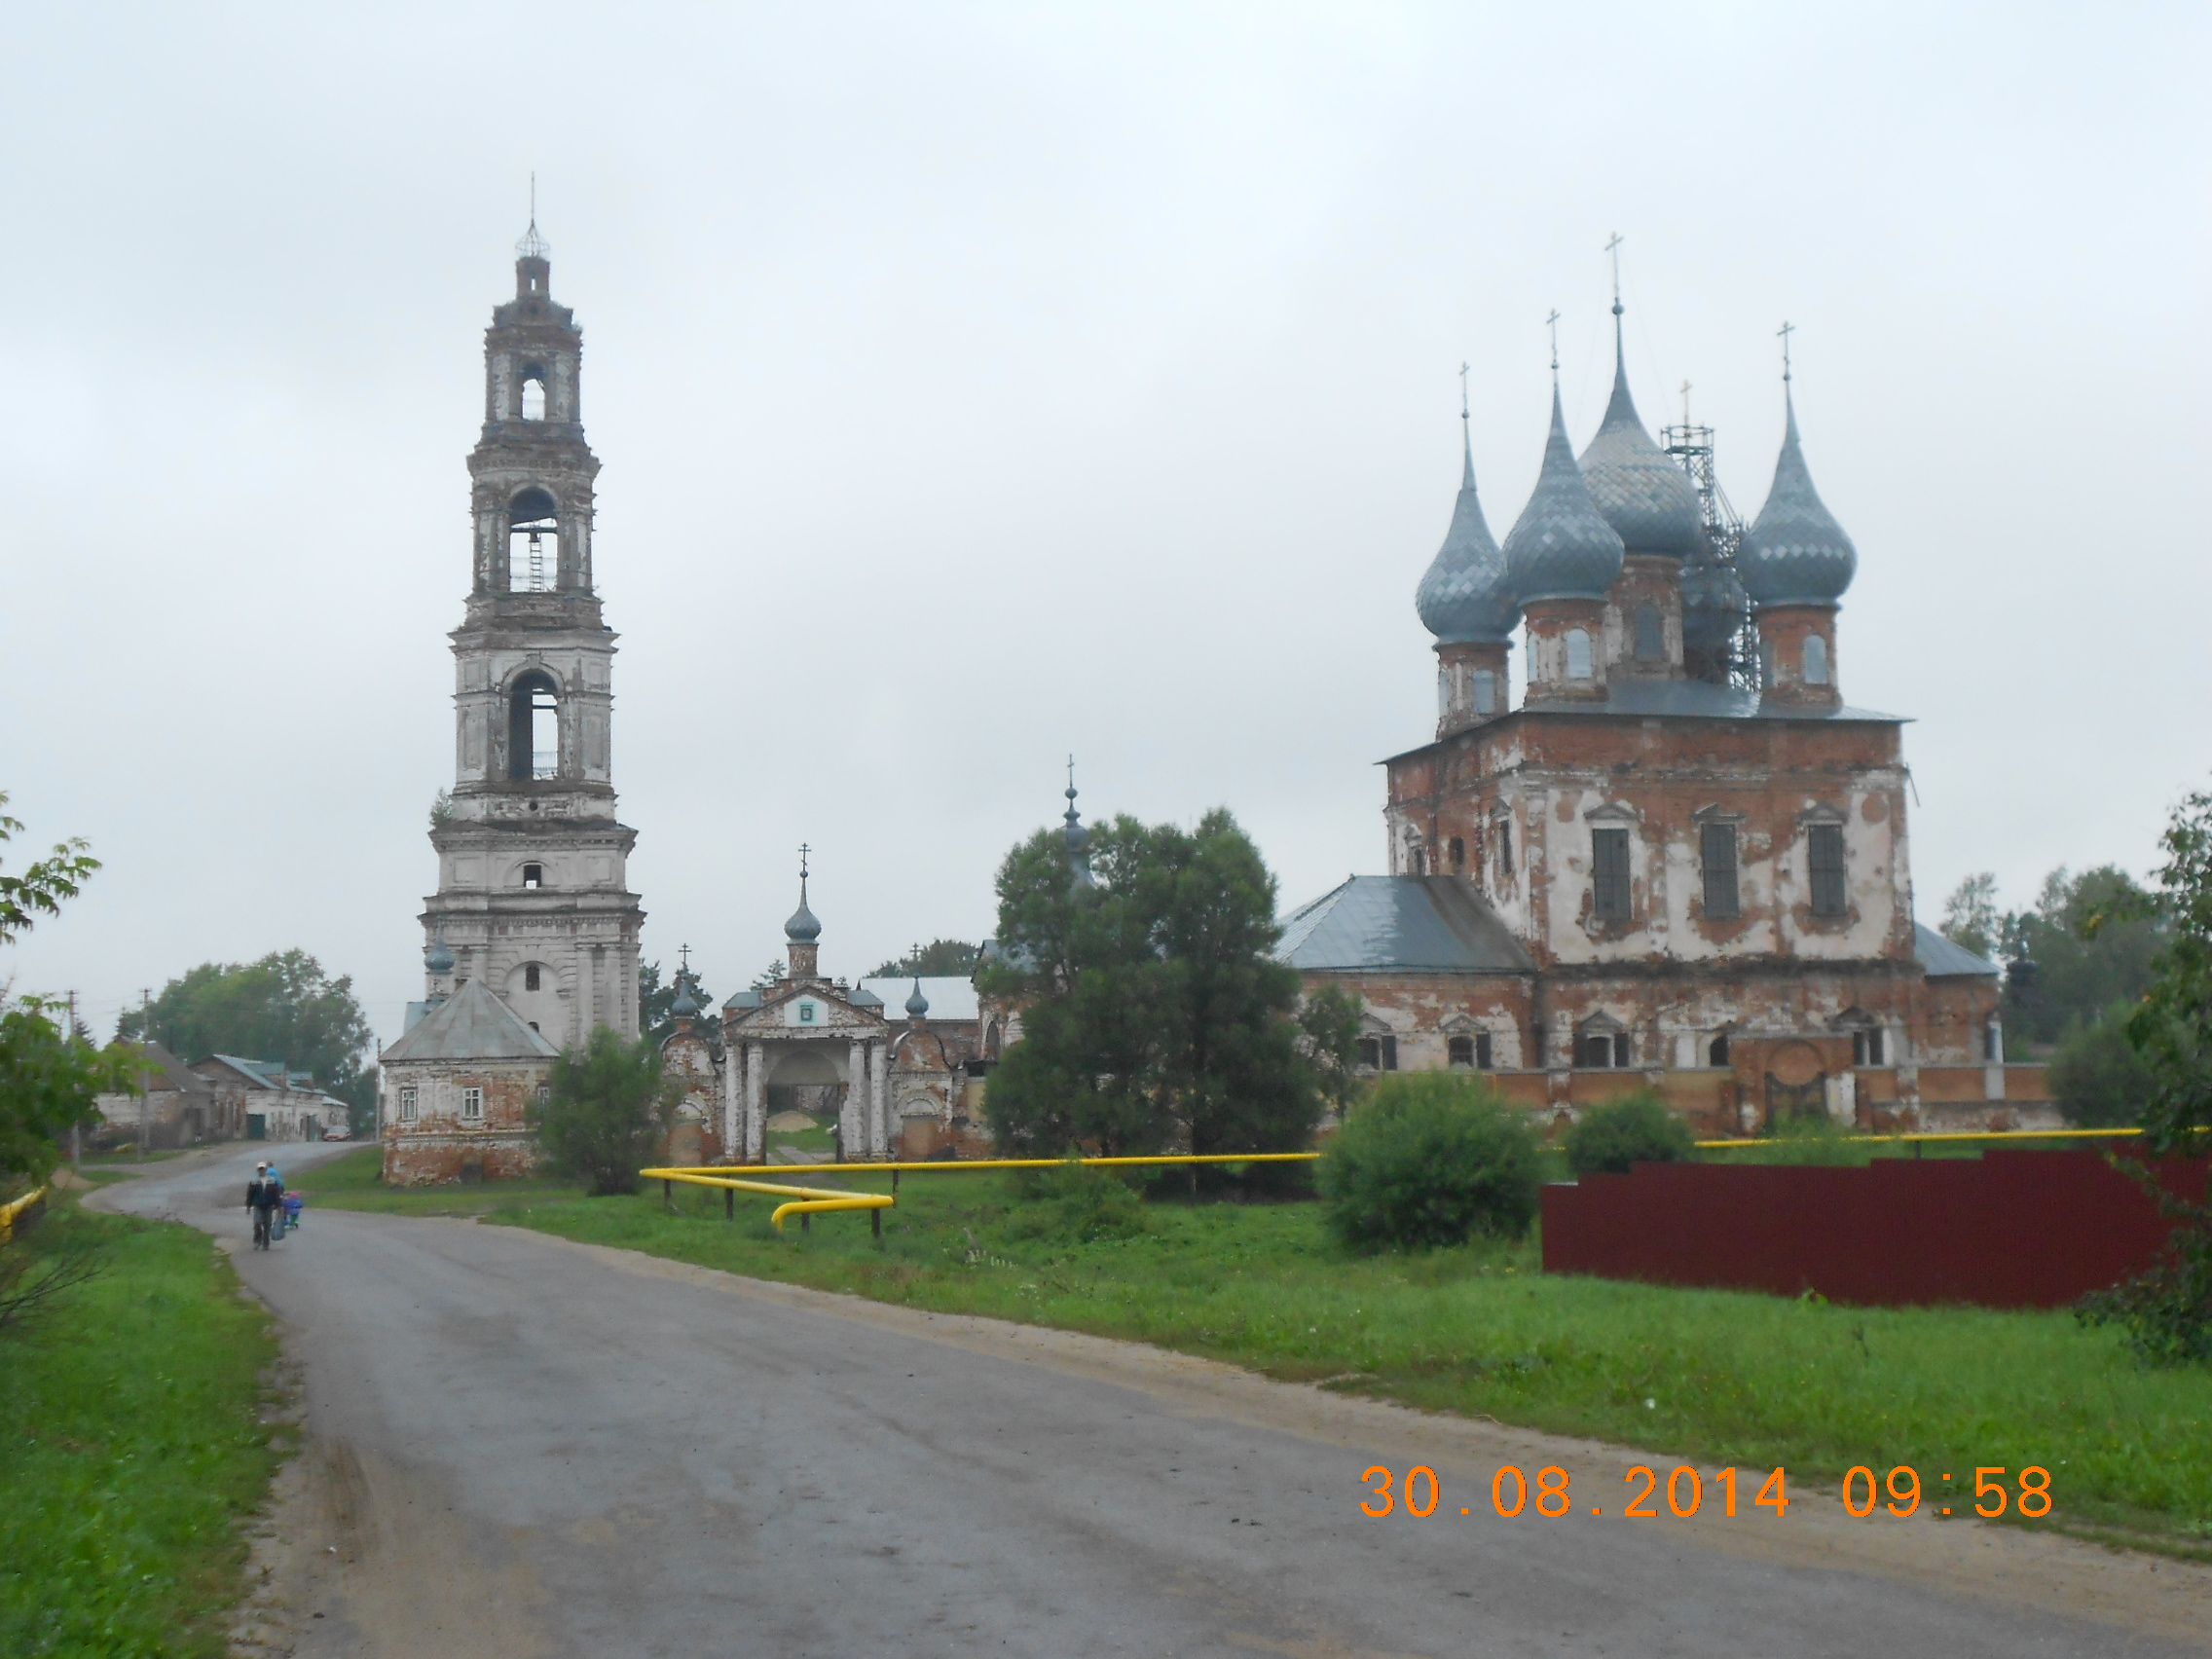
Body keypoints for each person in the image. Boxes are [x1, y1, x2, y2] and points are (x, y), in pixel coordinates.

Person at [246, 1161, 283, 1250]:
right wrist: (248, 1206)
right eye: (260, 1169)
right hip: (258, 1205)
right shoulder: (254, 1181)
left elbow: (276, 1194)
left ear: (266, 1169)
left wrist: (278, 1206)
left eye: (263, 1169)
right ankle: (257, 1240)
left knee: (267, 1224)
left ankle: (266, 1243)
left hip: (269, 1205)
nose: (261, 1170)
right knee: (257, 1222)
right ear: (258, 1170)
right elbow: (250, 1194)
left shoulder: (272, 1181)